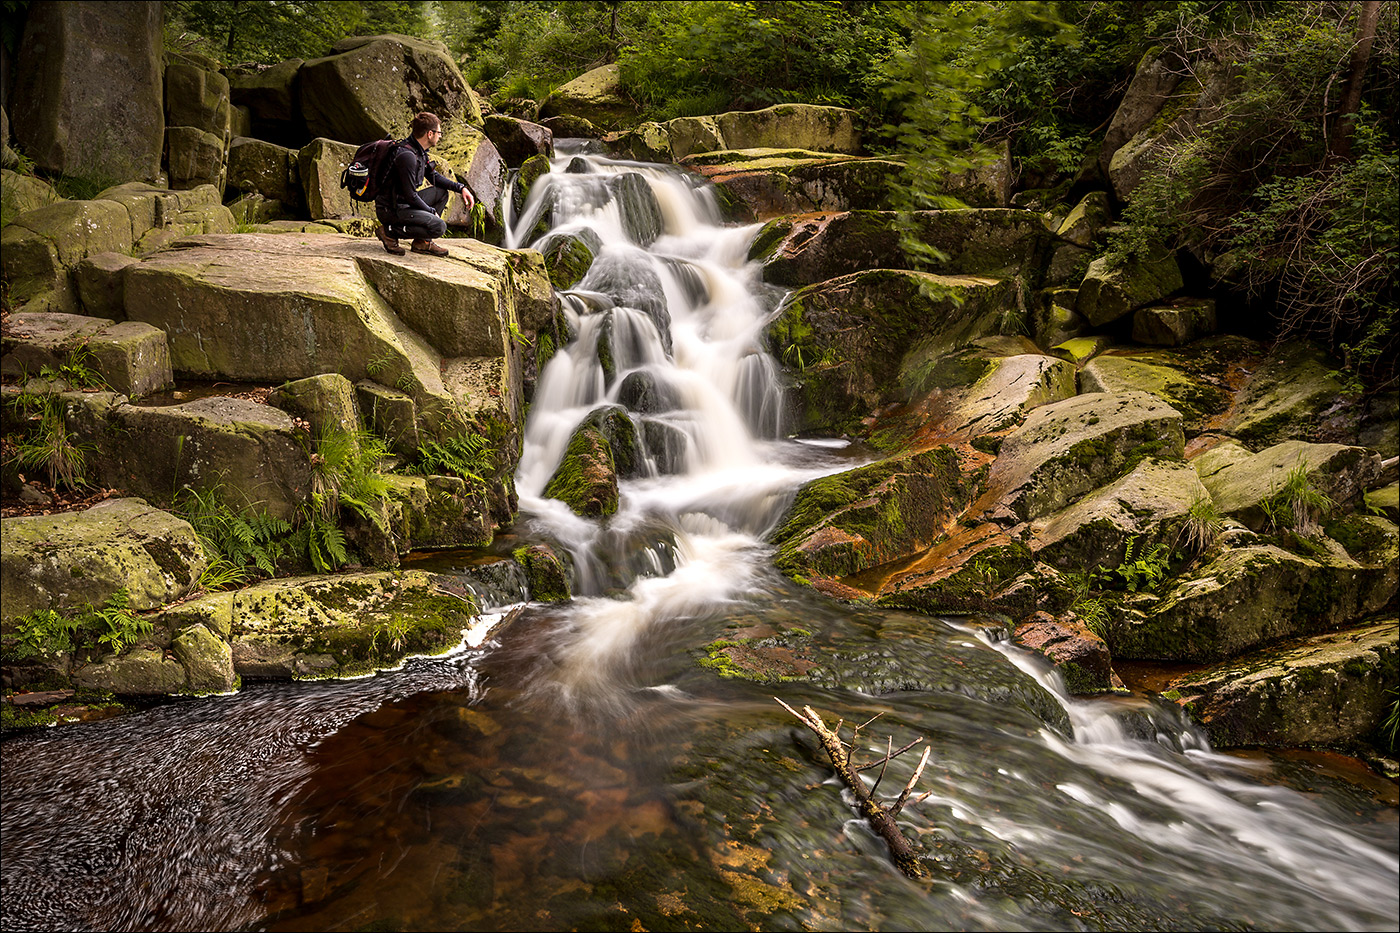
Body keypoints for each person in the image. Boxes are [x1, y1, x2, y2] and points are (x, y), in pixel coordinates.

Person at [375, 111, 474, 257]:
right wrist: (431, 211)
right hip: (391, 209)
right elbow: (410, 196)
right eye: (439, 133)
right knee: (438, 227)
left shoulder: (418, 151)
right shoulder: (406, 156)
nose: (440, 136)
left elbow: (433, 176)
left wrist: (461, 188)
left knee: (441, 192)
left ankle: (422, 243)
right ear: (429, 134)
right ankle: (388, 231)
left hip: (403, 203)